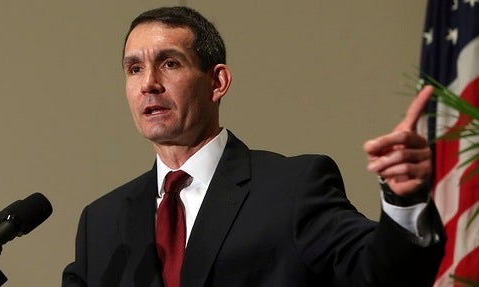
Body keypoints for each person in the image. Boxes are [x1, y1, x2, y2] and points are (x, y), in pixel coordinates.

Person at [62, 6, 445, 287]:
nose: (149, 84)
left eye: (170, 64)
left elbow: (379, 275)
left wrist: (404, 202)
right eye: (134, 69)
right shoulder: (102, 222)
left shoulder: (292, 188)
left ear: (218, 82)